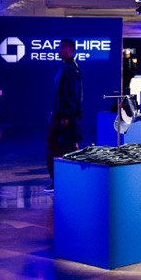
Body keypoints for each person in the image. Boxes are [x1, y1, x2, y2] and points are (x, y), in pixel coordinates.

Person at [45, 38, 82, 193]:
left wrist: (66, 115)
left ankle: (62, 180)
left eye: (61, 48)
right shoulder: (67, 67)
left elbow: (71, 94)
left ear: (69, 50)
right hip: (60, 115)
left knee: (62, 147)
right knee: (60, 146)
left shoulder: (70, 69)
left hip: (64, 117)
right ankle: (61, 179)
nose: (58, 51)